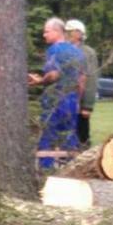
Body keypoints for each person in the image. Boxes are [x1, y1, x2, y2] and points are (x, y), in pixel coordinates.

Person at [29, 18, 85, 169]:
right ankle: (72, 169)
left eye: (46, 31)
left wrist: (39, 81)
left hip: (55, 99)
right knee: (69, 136)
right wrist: (78, 101)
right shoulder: (77, 52)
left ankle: (45, 170)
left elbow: (54, 74)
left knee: (47, 134)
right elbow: (81, 80)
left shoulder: (54, 50)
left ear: (56, 31)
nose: (44, 35)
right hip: (72, 99)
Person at [65, 19, 97, 148]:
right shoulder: (63, 51)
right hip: (65, 102)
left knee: (81, 136)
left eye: (69, 32)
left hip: (81, 102)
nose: (66, 35)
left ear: (78, 33)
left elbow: (91, 78)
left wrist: (87, 105)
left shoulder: (87, 53)